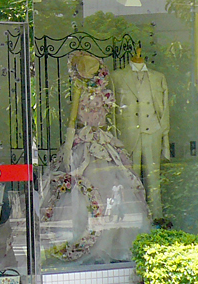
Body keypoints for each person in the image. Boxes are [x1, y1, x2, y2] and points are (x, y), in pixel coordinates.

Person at [39, 51, 151, 264]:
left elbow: (110, 117)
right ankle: (90, 242)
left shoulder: (103, 94)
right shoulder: (79, 92)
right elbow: (73, 120)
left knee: (116, 185)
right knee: (86, 187)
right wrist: (69, 144)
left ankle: (117, 243)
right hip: (85, 143)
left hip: (101, 141)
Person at [110, 47, 170, 219]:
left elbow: (165, 110)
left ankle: (157, 217)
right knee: (130, 178)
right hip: (128, 133)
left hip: (153, 131)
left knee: (154, 178)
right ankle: (133, 218)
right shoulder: (117, 77)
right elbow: (112, 112)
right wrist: (114, 140)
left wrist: (165, 139)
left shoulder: (158, 77)